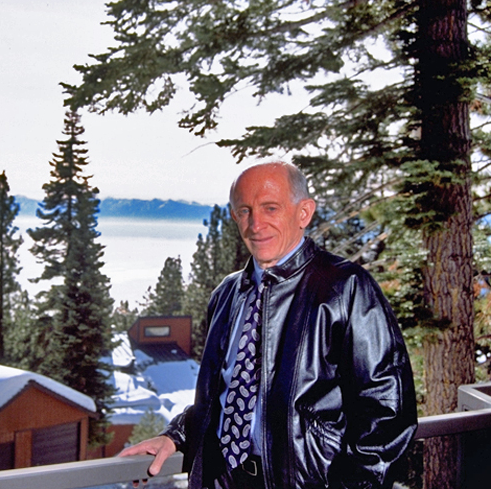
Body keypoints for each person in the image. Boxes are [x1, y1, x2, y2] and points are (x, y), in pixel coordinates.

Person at [120, 161, 417, 489]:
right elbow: (227, 395)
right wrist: (176, 435)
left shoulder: (346, 288)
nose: (255, 224)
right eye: (244, 211)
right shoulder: (227, 295)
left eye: (270, 208)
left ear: (303, 213)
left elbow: (388, 410)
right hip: (223, 480)